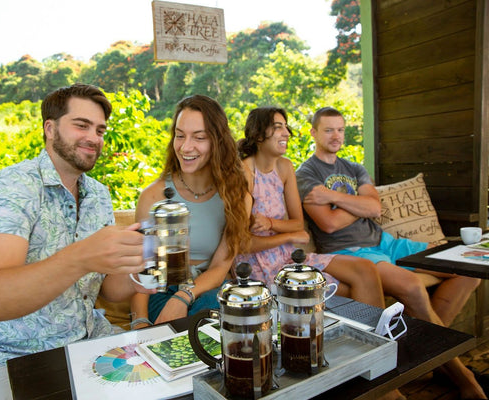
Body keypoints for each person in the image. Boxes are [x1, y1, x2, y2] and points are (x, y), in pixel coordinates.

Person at [0, 84, 154, 399]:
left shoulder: (99, 195)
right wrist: (82, 257)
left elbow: (109, 290)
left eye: (100, 130)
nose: (94, 137)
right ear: (49, 129)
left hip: (89, 340)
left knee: (179, 380)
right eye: (81, 125)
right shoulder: (12, 186)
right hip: (8, 356)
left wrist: (140, 268)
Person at [296, 106, 485, 399]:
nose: (336, 136)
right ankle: (463, 375)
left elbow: (376, 208)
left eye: (341, 129)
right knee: (411, 286)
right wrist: (359, 205)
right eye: (329, 130)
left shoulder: (354, 167)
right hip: (352, 252)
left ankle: (429, 357)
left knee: (465, 270)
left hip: (387, 242)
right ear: (314, 133)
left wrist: (333, 197)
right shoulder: (306, 174)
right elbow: (329, 224)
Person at [235, 106, 384, 308]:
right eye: (278, 127)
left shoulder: (285, 168)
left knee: (365, 269)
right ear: (259, 134)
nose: (286, 133)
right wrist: (288, 236)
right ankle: (367, 336)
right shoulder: (246, 173)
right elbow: (242, 243)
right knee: (351, 292)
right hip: (260, 268)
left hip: (288, 257)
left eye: (285, 127)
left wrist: (271, 223)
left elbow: (297, 223)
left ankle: (380, 339)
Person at [129, 94, 251, 329]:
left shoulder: (237, 198)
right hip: (162, 291)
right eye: (180, 135)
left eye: (199, 137)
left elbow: (219, 268)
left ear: (218, 142)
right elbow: (141, 271)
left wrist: (183, 296)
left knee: (210, 310)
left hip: (207, 289)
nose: (185, 147)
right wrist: (140, 323)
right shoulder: (153, 196)